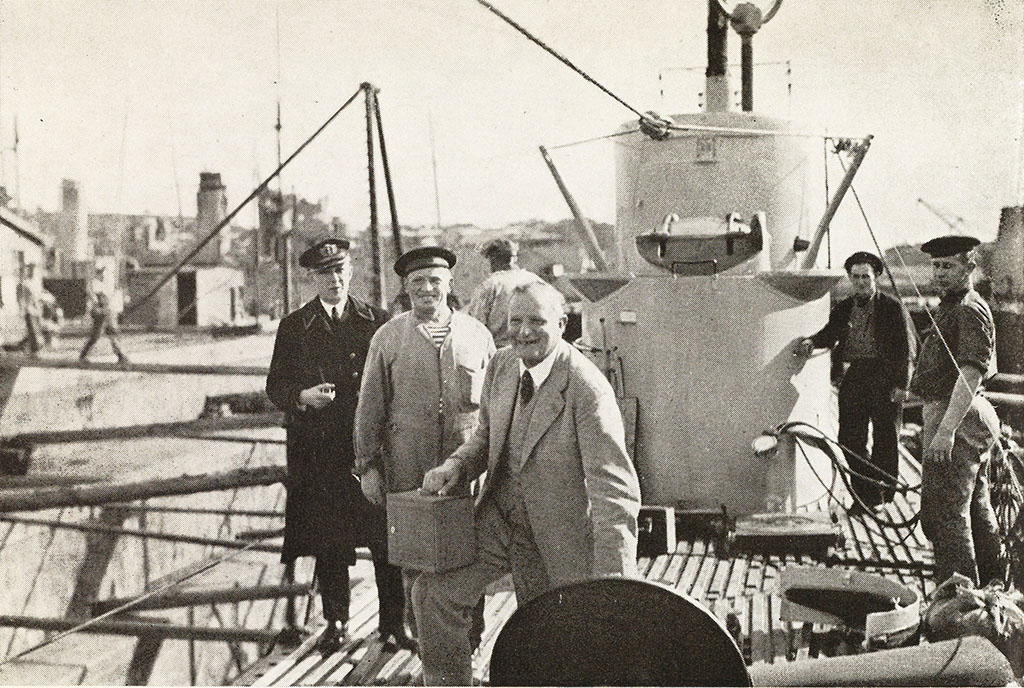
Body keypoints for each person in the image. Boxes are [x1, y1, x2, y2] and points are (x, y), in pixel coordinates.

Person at [413, 280, 642, 685]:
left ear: (562, 322)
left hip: (558, 536)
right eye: (515, 321)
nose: (524, 331)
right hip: (500, 519)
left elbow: (615, 495)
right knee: (433, 594)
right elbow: (485, 438)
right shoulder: (502, 365)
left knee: (551, 645)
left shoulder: (586, 390)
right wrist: (455, 467)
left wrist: (615, 590)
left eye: (537, 321)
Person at [266, 237, 409, 654]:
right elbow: (276, 386)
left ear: (352, 271)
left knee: (385, 540)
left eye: (340, 270)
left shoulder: (378, 321)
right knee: (331, 542)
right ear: (312, 278)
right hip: (320, 454)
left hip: (369, 453)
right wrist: (301, 397)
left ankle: (393, 624)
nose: (335, 279)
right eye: (325, 273)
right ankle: (338, 622)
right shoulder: (295, 327)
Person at [354, 245, 494, 644]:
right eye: (418, 282)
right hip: (407, 465)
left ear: (450, 285)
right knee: (416, 556)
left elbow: (495, 405)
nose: (427, 289)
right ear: (406, 287)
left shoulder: (477, 334)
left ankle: (471, 636)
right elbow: (369, 409)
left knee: (469, 552)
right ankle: (425, 640)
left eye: (435, 281)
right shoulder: (388, 337)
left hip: (466, 466)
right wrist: (367, 467)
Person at [910, 235, 1002, 587]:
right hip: (957, 416)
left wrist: (945, 430)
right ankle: (992, 585)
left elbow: (971, 373)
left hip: (957, 417)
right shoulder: (951, 306)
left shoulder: (968, 308)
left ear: (969, 267)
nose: (940, 272)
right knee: (976, 510)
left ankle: (957, 600)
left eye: (948, 265)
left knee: (948, 516)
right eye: (936, 265)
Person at [796, 251, 917, 510]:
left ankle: (884, 495)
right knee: (850, 438)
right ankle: (865, 494)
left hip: (885, 376)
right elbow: (830, 333)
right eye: (856, 277)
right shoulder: (844, 307)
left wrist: (902, 385)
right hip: (857, 375)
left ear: (875, 278)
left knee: (886, 438)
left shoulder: (891, 307)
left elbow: (904, 349)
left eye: (866, 276)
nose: (861, 282)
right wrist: (811, 342)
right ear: (850, 278)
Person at [465, 238, 543, 348]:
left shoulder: (490, 285)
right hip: (532, 350)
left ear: (493, 260)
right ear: (514, 259)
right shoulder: (535, 280)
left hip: (499, 352)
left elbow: (475, 327)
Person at [79, 266, 129, 364]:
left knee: (109, 333)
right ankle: (83, 355)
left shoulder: (103, 284)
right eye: (101, 272)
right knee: (102, 334)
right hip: (101, 311)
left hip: (107, 311)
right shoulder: (94, 284)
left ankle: (121, 356)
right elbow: (99, 298)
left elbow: (109, 297)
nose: (103, 275)